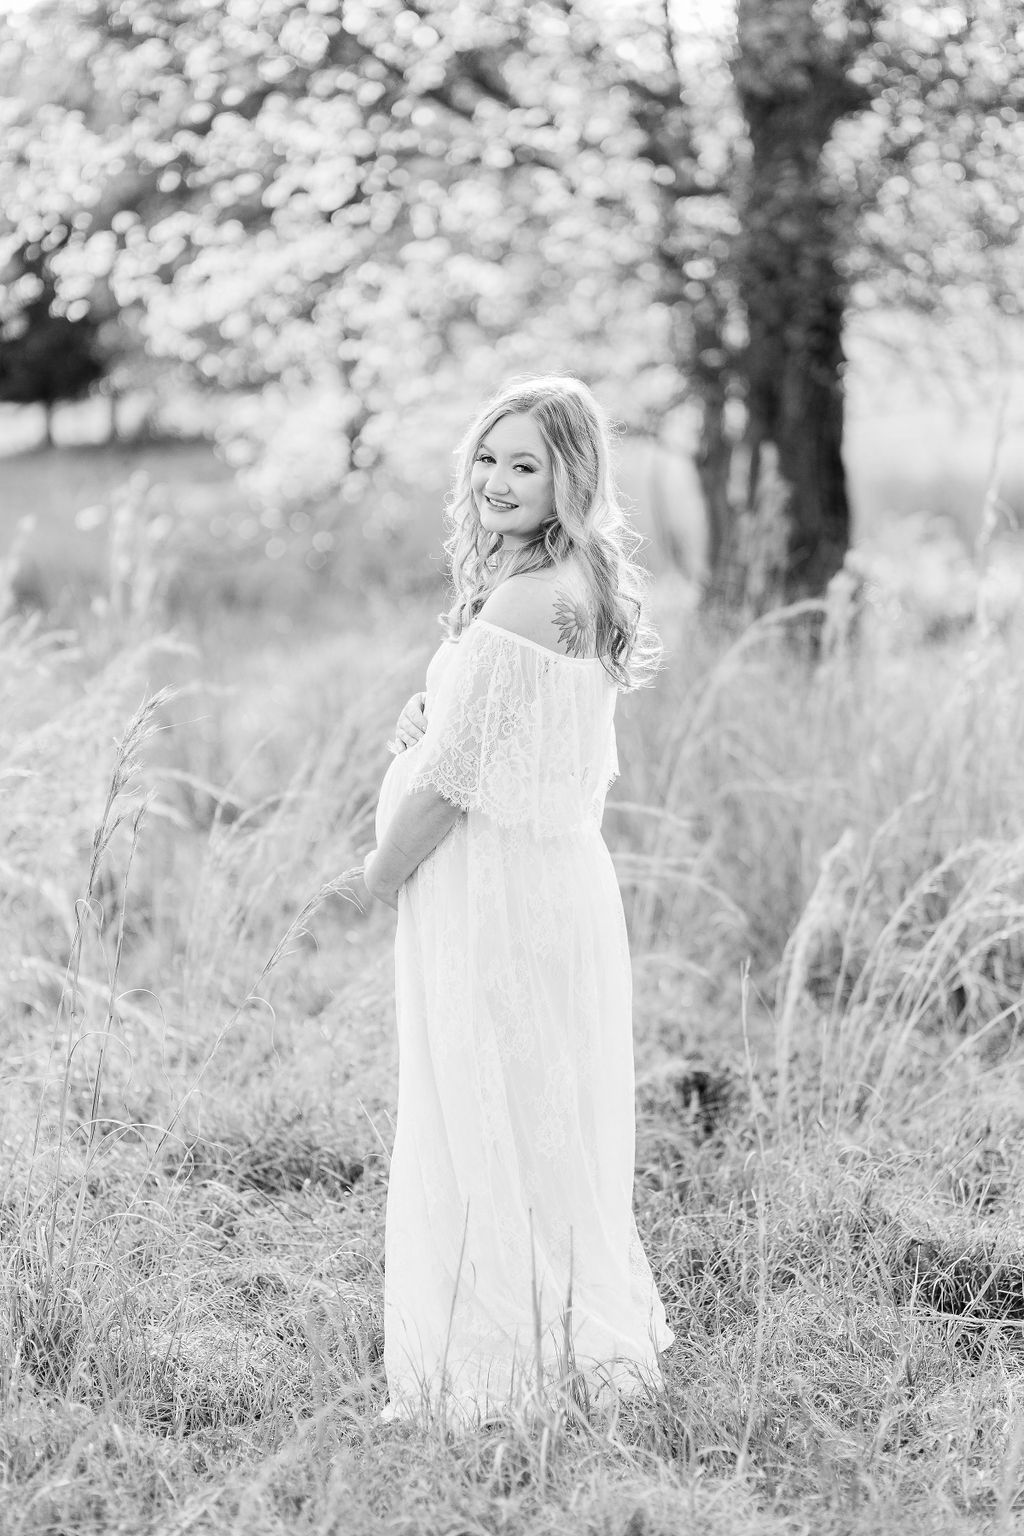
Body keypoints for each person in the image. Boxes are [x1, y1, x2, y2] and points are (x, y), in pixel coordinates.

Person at [361, 374, 674, 1429]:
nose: (496, 482)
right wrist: (433, 706)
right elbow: (499, 730)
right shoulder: (567, 577)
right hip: (543, 884)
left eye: (524, 465)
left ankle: (503, 1366)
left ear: (569, 477)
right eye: (487, 459)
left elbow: (451, 785)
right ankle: (555, 1337)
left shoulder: (526, 597)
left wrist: (377, 873)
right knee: (536, 1113)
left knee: (487, 1112)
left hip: (494, 894)